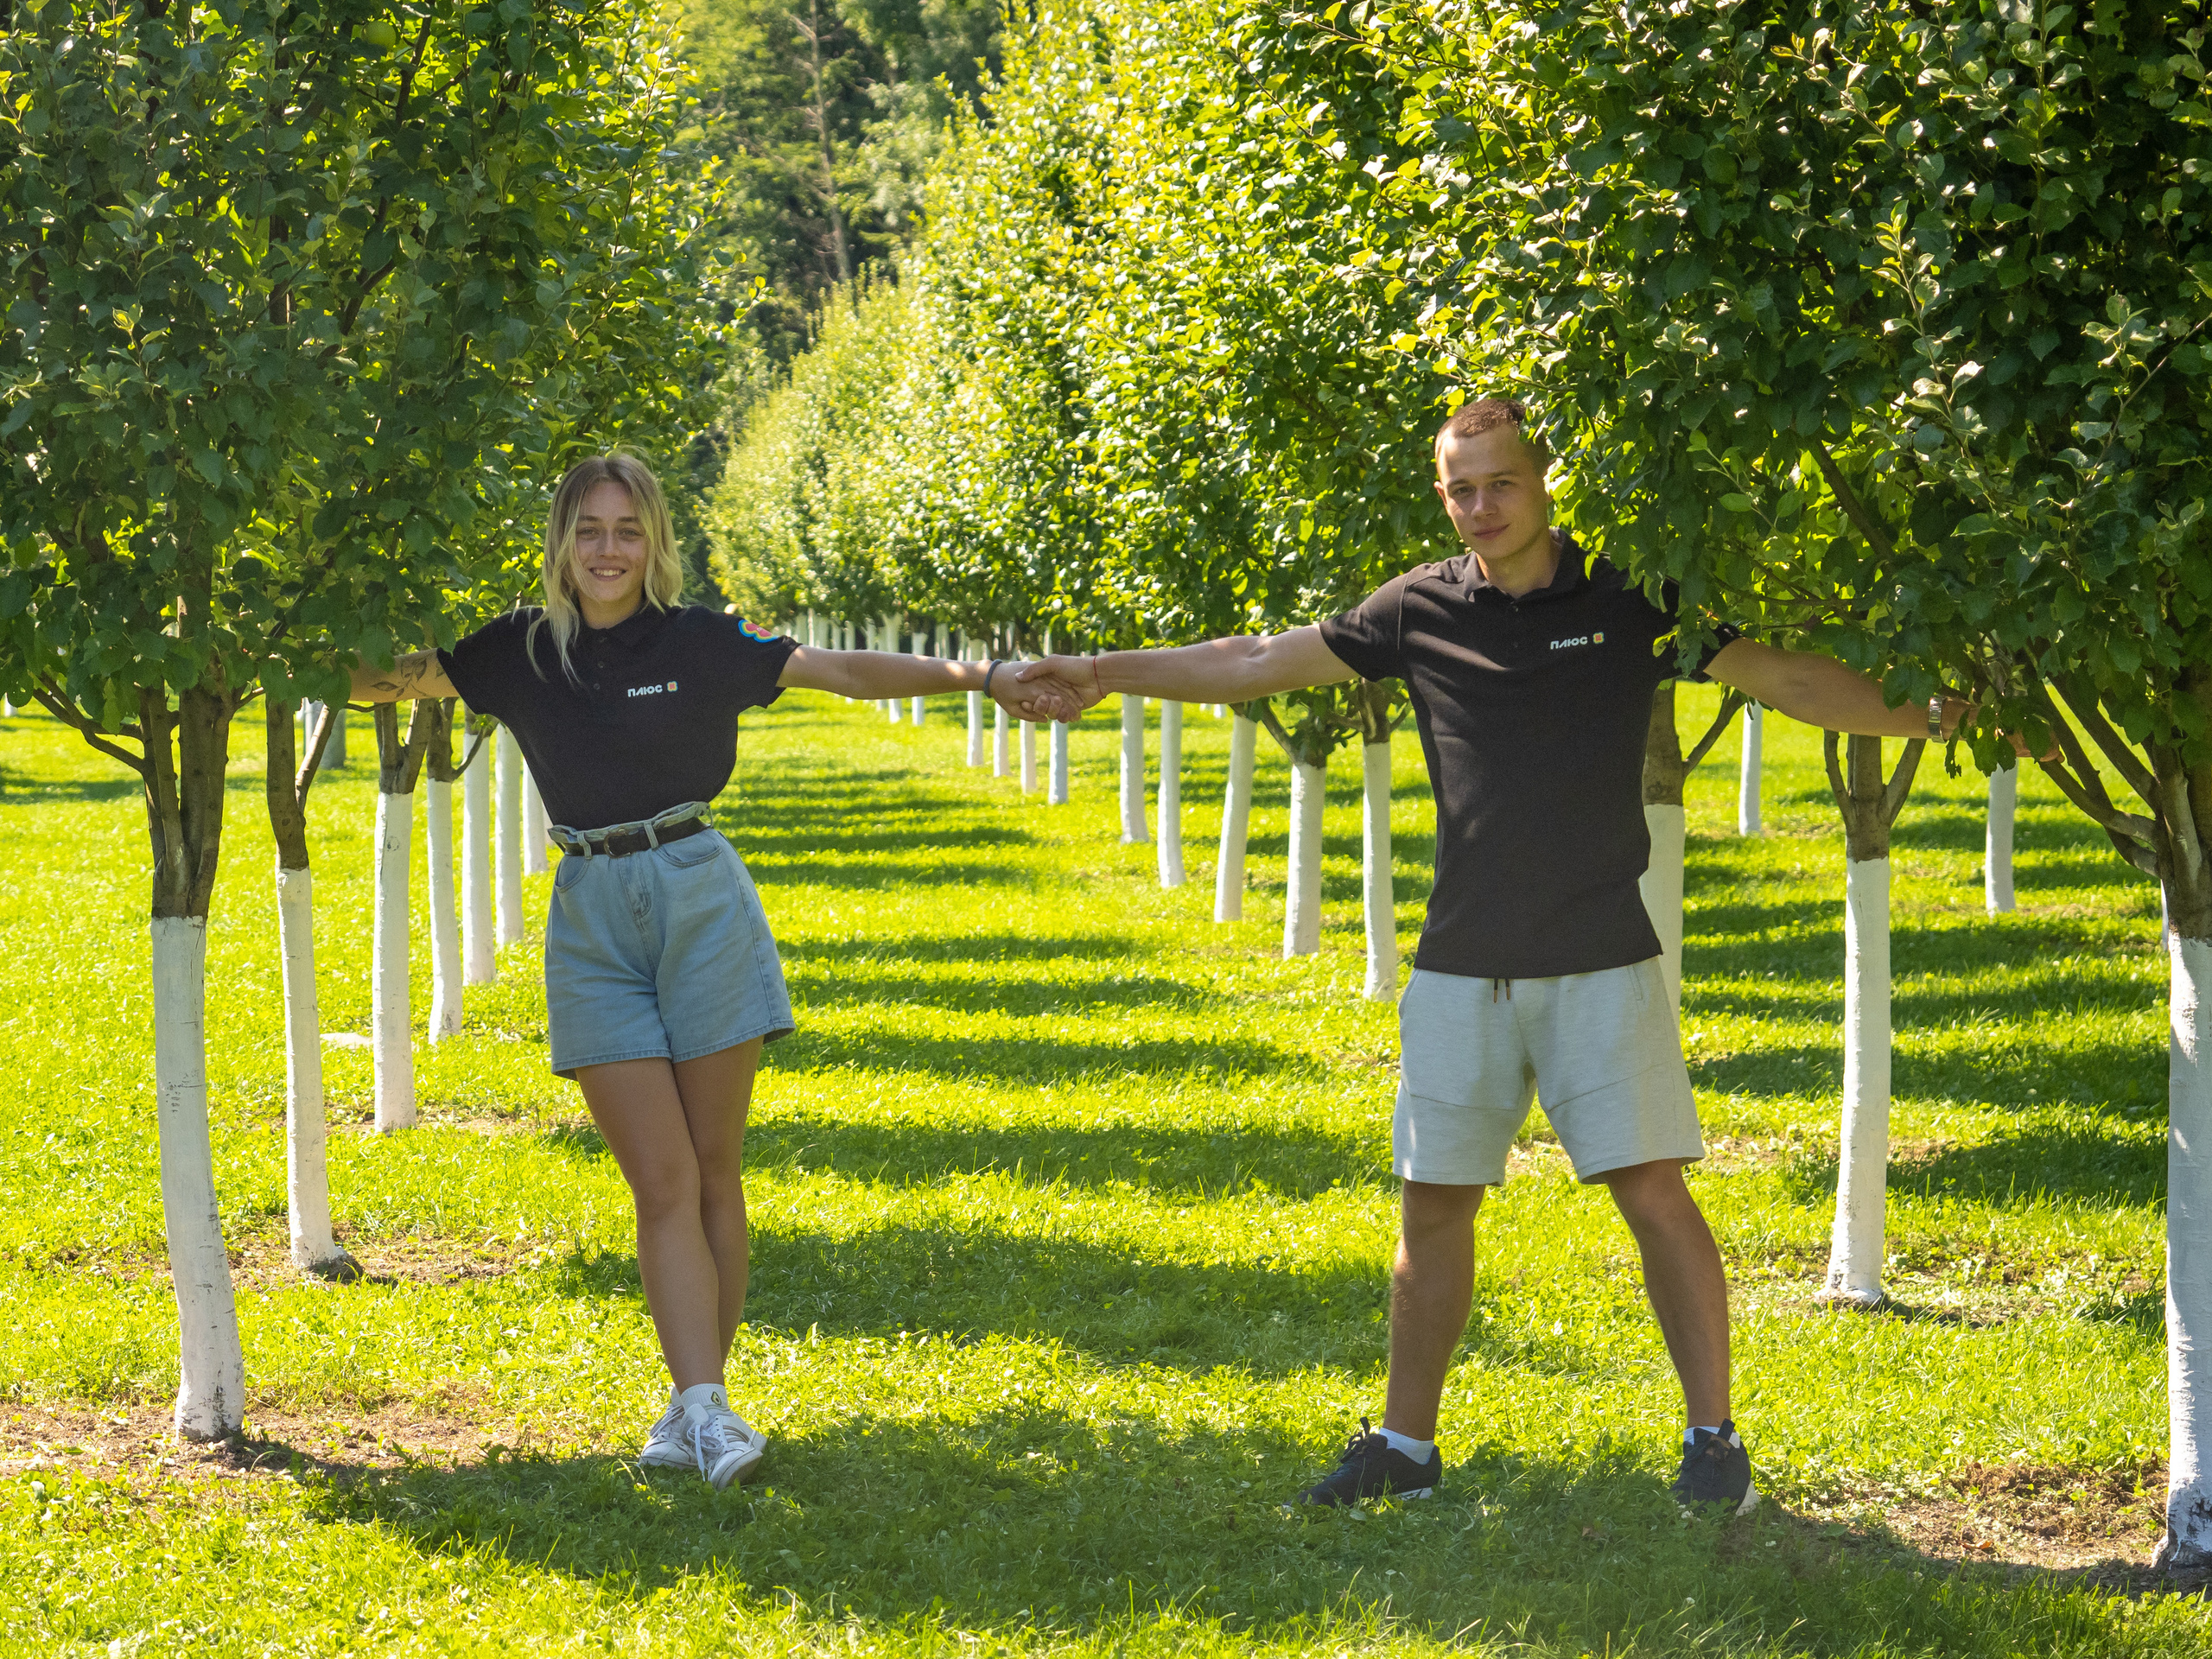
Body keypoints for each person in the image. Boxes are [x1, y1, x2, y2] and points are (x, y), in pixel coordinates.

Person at [1017, 398, 1974, 1513]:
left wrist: (1932, 718)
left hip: (1599, 959)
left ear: (1544, 481)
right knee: (1432, 1208)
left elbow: (1785, 679)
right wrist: (1102, 668)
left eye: (1499, 483)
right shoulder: (1417, 607)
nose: (1479, 507)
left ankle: (1712, 1441)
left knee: (1653, 1195)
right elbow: (1256, 660)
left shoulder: (1632, 597)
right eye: (1459, 488)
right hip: (1460, 965)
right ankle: (1406, 1451)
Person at [352, 453, 1074, 1489]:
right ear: (561, 540)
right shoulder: (513, 652)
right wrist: (242, 655)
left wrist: (983, 677)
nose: (609, 550)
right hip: (591, 913)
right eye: (590, 529)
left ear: (656, 543)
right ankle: (702, 1407)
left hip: (699, 895)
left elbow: (839, 668)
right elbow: (394, 675)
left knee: (713, 1166)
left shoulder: (701, 641)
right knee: (663, 1178)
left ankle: (702, 1403)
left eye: (628, 530)